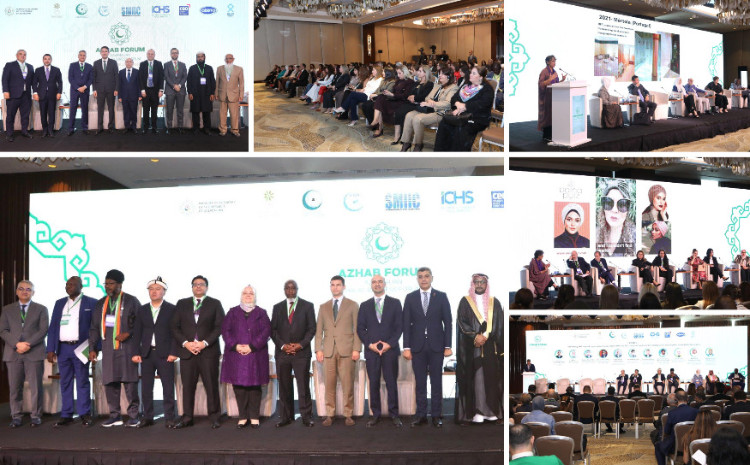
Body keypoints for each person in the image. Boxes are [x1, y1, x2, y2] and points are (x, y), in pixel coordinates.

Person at [171, 275, 225, 429]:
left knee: (211, 385)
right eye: (195, 284)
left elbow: (219, 327)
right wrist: (186, 343)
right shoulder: (182, 303)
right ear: (192, 287)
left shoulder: (215, 303)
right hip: (187, 352)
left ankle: (214, 416)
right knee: (187, 387)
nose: (198, 286)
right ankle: (187, 417)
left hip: (208, 352)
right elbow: (174, 326)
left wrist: (204, 343)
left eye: (201, 284)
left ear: (207, 287)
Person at [88, 269, 140, 427]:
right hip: (108, 350)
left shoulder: (131, 301)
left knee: (130, 383)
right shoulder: (100, 304)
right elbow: (94, 328)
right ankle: (115, 415)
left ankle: (134, 416)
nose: (107, 286)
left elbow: (141, 324)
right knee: (110, 383)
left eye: (111, 283)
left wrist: (129, 333)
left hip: (127, 349)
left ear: (120, 284)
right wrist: (92, 348)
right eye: (106, 283)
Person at [403, 267, 452, 428]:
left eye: (426, 276)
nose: (423, 279)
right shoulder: (410, 297)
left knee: (436, 382)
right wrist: (406, 347)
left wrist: (448, 345)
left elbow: (448, 322)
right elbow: (406, 324)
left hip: (437, 346)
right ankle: (421, 415)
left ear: (432, 278)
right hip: (417, 347)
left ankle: (436, 415)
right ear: (417, 279)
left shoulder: (441, 296)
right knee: (420, 383)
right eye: (420, 277)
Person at [46, 276, 97, 427]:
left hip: (81, 348)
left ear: (81, 286)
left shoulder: (91, 302)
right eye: (67, 284)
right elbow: (53, 327)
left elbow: (95, 328)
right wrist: (50, 348)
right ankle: (66, 414)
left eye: (73, 284)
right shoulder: (59, 303)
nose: (69, 286)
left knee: (82, 381)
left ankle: (84, 413)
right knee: (65, 381)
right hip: (63, 348)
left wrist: (94, 348)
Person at [221, 285, 271, 429]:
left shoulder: (261, 313)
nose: (248, 295)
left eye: (251, 293)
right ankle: (242, 417)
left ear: (255, 296)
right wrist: (236, 346)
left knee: (255, 386)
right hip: (236, 355)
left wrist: (252, 346)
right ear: (241, 295)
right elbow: (225, 331)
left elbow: (266, 331)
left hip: (256, 354)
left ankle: (254, 417)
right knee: (239, 386)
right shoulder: (232, 312)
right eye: (245, 293)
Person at [0, 280, 49, 428]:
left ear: (33, 292)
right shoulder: (7, 309)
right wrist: (17, 344)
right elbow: (3, 330)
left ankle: (36, 416)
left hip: (34, 352)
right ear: (16, 292)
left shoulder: (41, 309)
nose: (24, 291)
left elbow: (43, 330)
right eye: (21, 289)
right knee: (15, 387)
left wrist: (28, 344)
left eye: (28, 289)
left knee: (36, 387)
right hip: (13, 353)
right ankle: (16, 416)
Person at [357, 275, 404, 428]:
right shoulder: (364, 305)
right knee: (373, 383)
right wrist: (369, 344)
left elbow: (399, 327)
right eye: (374, 282)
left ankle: (394, 414)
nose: (377, 284)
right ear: (371, 285)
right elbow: (360, 328)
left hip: (390, 351)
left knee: (391, 383)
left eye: (379, 282)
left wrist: (389, 344)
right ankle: (375, 414)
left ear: (384, 284)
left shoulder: (395, 303)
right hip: (372, 351)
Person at [131, 277, 178, 428]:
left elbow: (176, 333)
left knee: (168, 388)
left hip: (165, 354)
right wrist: (135, 352)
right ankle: (148, 417)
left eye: (158, 289)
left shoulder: (172, 309)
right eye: (151, 289)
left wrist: (174, 352)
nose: (154, 292)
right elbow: (137, 333)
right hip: (147, 353)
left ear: (164, 291)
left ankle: (169, 417)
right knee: (146, 388)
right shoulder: (142, 309)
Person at [455, 273, 502, 425]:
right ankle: (477, 412)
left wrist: (487, 336)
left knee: (491, 379)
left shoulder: (494, 302)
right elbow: (462, 322)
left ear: (486, 284)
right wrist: (476, 336)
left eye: (482, 282)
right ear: (473, 284)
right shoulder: (465, 301)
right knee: (477, 379)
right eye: (477, 282)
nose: (480, 284)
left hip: (490, 347)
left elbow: (499, 325)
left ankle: (491, 412)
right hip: (472, 346)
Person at [315, 275, 361, 427]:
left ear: (344, 287)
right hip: (328, 351)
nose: (335, 287)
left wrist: (357, 349)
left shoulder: (353, 305)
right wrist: (318, 349)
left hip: (347, 350)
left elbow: (357, 329)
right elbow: (319, 331)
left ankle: (348, 414)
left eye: (338, 285)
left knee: (348, 385)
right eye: (332, 285)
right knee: (329, 385)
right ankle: (330, 414)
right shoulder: (323, 307)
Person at [270, 280, 315, 428]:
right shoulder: (277, 307)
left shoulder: (307, 306)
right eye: (287, 288)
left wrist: (300, 345)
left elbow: (312, 329)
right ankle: (286, 417)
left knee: (303, 386)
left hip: (301, 353)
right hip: (282, 354)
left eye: (293, 288)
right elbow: (273, 330)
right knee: (284, 387)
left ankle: (306, 416)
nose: (290, 290)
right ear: (284, 290)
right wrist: (283, 346)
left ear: (297, 289)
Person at [434, 66, 494, 151]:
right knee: (444, 123)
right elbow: (453, 98)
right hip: (460, 115)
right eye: (471, 72)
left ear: (480, 77)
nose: (470, 75)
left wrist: (465, 107)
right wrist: (458, 104)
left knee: (461, 129)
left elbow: (482, 104)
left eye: (474, 73)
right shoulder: (466, 86)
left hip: (477, 118)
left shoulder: (487, 89)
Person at [400, 66, 458, 152]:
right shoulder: (437, 86)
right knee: (409, 115)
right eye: (439, 73)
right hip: (429, 109)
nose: (440, 75)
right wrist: (429, 101)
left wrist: (433, 103)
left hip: (440, 113)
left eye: (442, 74)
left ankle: (418, 144)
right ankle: (406, 142)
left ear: (448, 76)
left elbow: (448, 103)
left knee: (418, 119)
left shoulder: (453, 88)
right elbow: (427, 98)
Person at [392, 65, 434, 145]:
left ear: (425, 73)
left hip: (418, 104)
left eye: (420, 71)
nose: (418, 72)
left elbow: (424, 96)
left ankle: (403, 136)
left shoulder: (429, 84)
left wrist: (414, 98)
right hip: (410, 102)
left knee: (402, 112)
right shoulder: (417, 83)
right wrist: (410, 97)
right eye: (418, 71)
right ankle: (397, 135)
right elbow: (409, 93)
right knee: (398, 111)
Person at [370, 66, 415, 138]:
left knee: (380, 103)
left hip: (402, 102)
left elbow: (405, 96)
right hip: (394, 99)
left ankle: (377, 126)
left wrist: (392, 95)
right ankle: (376, 123)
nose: (398, 75)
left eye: (400, 73)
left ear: (405, 73)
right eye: (397, 73)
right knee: (380, 98)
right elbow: (394, 91)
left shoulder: (410, 82)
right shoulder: (398, 80)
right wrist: (389, 93)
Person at [597, 178, 636, 256]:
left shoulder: (635, 237)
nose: (615, 210)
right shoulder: (594, 235)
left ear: (627, 210)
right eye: (609, 202)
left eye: (622, 204)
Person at [2, 49, 34, 141]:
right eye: (20, 54)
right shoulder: (10, 65)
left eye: (24, 54)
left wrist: (35, 92)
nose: (23, 56)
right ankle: (9, 134)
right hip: (13, 95)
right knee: (10, 115)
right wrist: (5, 91)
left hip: (26, 95)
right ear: (17, 55)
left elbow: (33, 81)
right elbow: (4, 79)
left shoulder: (30, 67)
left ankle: (24, 131)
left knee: (25, 115)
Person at [32, 54, 63, 137]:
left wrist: (59, 92)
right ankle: (45, 130)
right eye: (45, 59)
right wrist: (35, 93)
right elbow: (34, 83)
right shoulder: (38, 70)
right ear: (43, 60)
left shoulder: (56, 70)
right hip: (41, 95)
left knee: (52, 113)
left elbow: (60, 82)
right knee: (43, 113)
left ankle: (50, 130)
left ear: (51, 60)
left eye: (49, 59)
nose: (47, 60)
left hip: (53, 95)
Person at [187, 52, 216, 135]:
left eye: (201, 57)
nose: (200, 58)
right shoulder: (192, 68)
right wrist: (190, 92)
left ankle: (207, 129)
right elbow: (189, 81)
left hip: (207, 94)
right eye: (198, 57)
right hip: (195, 94)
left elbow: (212, 81)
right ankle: (196, 128)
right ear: (196, 58)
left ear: (204, 58)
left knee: (206, 112)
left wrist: (212, 93)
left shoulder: (209, 68)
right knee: (195, 112)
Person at [215, 53, 244, 137]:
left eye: (230, 58)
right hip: (222, 94)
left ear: (233, 59)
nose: (228, 60)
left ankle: (235, 130)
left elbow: (241, 83)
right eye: (226, 58)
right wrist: (216, 93)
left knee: (234, 114)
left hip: (234, 95)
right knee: (222, 114)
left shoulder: (239, 69)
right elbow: (217, 82)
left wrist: (241, 94)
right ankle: (223, 130)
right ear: (224, 60)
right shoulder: (219, 68)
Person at [538, 55, 566, 141]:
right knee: (547, 116)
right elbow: (541, 84)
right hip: (546, 98)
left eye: (555, 61)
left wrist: (562, 80)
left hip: (554, 97)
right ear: (547, 62)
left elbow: (556, 84)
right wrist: (550, 79)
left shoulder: (554, 72)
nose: (554, 63)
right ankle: (546, 136)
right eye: (553, 61)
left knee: (553, 116)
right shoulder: (544, 72)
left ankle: (552, 134)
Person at [92, 46, 118, 134]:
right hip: (99, 90)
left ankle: (110, 127)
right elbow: (94, 77)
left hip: (111, 89)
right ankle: (100, 127)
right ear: (100, 53)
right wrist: (94, 89)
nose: (104, 53)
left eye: (106, 51)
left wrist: (116, 89)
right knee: (100, 109)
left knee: (111, 108)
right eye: (102, 51)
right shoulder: (96, 63)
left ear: (108, 52)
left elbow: (116, 76)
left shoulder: (113, 62)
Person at [137, 49, 164, 135]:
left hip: (155, 91)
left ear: (154, 55)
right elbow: (140, 78)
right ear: (146, 55)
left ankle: (154, 127)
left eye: (152, 54)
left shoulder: (159, 64)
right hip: (146, 91)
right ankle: (145, 127)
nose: (150, 55)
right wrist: (142, 90)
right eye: (149, 54)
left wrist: (161, 90)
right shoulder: (142, 64)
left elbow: (161, 78)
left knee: (154, 110)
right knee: (145, 110)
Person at [67, 50, 93, 135]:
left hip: (85, 90)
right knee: (73, 109)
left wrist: (84, 87)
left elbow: (91, 79)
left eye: (84, 55)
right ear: (78, 56)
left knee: (84, 109)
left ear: (86, 57)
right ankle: (71, 128)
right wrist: (78, 88)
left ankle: (85, 127)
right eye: (81, 55)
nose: (82, 56)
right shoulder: (72, 65)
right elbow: (70, 78)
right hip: (75, 90)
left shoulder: (89, 66)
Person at [164, 48, 188, 134]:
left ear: (178, 54)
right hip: (170, 90)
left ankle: (180, 127)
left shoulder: (183, 64)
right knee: (169, 110)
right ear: (170, 54)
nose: (174, 54)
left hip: (181, 90)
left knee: (180, 110)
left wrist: (180, 85)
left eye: (176, 53)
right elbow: (166, 77)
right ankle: (169, 127)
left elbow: (185, 76)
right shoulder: (166, 64)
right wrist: (174, 86)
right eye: (173, 53)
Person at [117, 58, 141, 134]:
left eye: (130, 62)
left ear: (133, 63)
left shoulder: (137, 72)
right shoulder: (121, 72)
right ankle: (127, 127)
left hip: (134, 96)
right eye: (127, 61)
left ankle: (134, 127)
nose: (128, 63)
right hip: (124, 96)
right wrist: (119, 96)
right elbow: (119, 85)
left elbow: (139, 84)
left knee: (133, 112)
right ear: (125, 63)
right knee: (126, 112)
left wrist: (139, 95)